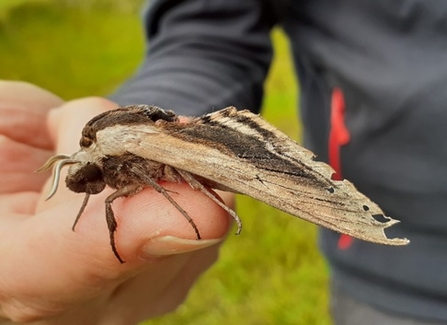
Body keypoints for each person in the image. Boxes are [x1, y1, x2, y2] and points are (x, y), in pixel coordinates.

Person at [1, 1, 446, 325]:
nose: (95, 188)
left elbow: (151, 174)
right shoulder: (111, 160)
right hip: (393, 287)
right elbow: (206, 35)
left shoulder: (128, 163)